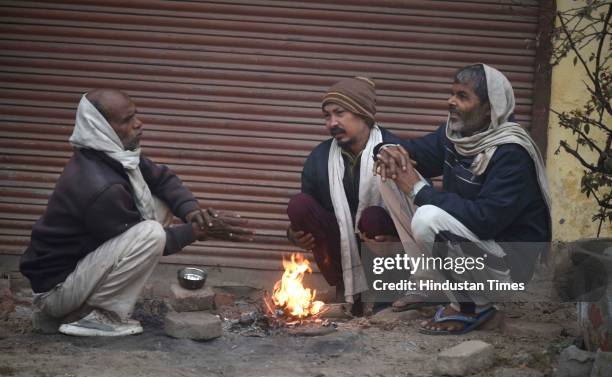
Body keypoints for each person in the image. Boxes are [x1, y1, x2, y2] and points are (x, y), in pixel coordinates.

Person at [20, 89, 253, 337]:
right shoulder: (100, 186)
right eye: (127, 120)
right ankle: (101, 317)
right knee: (151, 234)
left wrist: (191, 212)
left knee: (157, 205)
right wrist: (198, 230)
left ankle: (88, 307)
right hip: (56, 291)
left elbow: (162, 180)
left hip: (78, 269)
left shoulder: (114, 156)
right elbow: (155, 242)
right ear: (103, 128)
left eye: (136, 115)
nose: (138, 123)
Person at [374, 64, 551, 334]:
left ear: (490, 108)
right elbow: (412, 150)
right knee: (389, 172)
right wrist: (385, 149)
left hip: (506, 267)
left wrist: (420, 191)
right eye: (452, 93)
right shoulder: (457, 136)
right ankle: (429, 282)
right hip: (478, 250)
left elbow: (485, 220)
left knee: (428, 217)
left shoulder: (512, 152)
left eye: (462, 96)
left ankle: (473, 306)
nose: (450, 102)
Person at [286, 77, 410, 308]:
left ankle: (386, 293)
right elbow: (312, 214)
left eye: (340, 113)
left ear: (363, 113)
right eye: (327, 116)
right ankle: (347, 286)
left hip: (387, 248)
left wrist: (397, 239)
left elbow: (419, 211)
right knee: (299, 205)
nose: (332, 123)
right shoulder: (319, 158)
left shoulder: (395, 151)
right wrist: (295, 234)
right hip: (341, 248)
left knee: (373, 217)